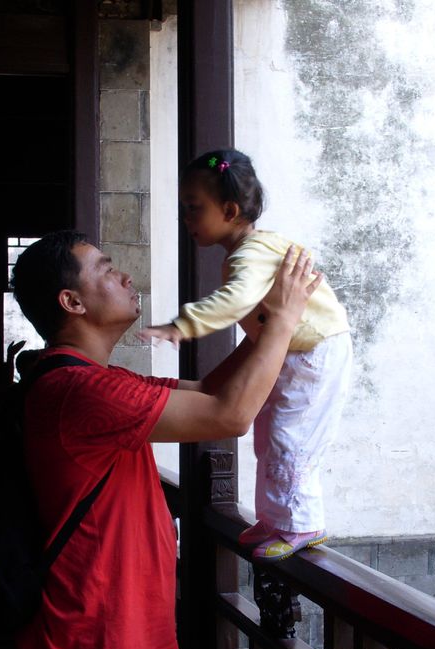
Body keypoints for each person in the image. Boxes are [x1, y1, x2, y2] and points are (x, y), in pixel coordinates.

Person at [10, 229, 320, 649]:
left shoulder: (92, 380)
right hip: (90, 641)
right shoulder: (82, 392)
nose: (125, 276)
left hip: (93, 633)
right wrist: (288, 318)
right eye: (105, 269)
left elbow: (208, 393)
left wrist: (264, 324)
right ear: (72, 302)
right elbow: (231, 414)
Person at [140, 148, 353, 561]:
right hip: (299, 349)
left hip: (313, 352)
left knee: (288, 435)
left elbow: (235, 301)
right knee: (271, 433)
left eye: (194, 208)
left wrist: (182, 326)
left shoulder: (250, 254)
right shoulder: (251, 251)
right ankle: (278, 519)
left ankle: (300, 523)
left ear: (230, 209)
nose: (186, 219)